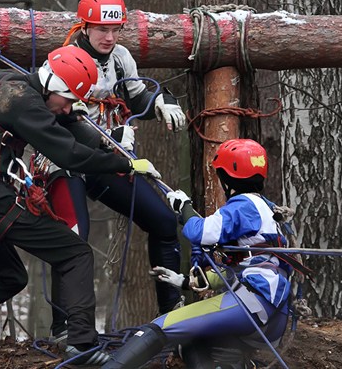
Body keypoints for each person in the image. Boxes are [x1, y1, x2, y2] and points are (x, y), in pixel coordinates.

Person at [0, 45, 162, 366]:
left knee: (10, 277)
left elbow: (61, 121)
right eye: (69, 99)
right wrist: (124, 164)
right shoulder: (26, 104)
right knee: (75, 253)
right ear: (53, 88)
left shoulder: (5, 81)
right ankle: (82, 345)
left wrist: (86, 125)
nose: (68, 107)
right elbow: (68, 154)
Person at [44, 0, 187, 341]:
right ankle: (67, 330)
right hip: (67, 160)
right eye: (101, 29)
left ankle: (172, 318)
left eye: (115, 29)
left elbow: (138, 90)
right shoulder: (65, 59)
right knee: (75, 239)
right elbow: (67, 119)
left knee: (164, 220)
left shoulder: (121, 56)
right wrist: (113, 143)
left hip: (107, 161)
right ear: (85, 27)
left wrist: (161, 102)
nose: (109, 37)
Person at [102, 139, 297, 369]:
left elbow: (200, 232)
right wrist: (185, 281)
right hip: (274, 314)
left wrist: (184, 207)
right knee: (192, 339)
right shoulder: (269, 210)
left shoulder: (242, 205)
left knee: (160, 326)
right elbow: (239, 268)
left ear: (226, 177)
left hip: (252, 303)